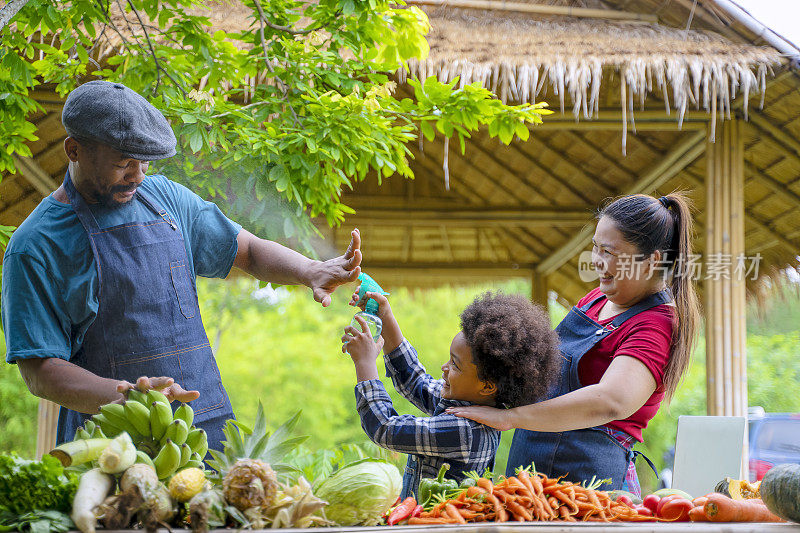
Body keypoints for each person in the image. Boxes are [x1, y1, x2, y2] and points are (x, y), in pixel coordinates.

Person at [2, 80, 362, 451]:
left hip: (206, 428)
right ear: (74, 150)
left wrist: (309, 270)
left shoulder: (166, 199)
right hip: (108, 443)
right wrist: (128, 397)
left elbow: (249, 251)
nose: (138, 175)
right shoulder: (36, 247)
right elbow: (40, 372)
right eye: (123, 163)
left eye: (144, 162)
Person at [447, 193, 700, 496]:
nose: (596, 260)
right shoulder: (595, 299)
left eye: (608, 251)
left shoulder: (656, 324)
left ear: (651, 261)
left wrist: (510, 418)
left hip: (589, 488)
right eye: (595, 247)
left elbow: (612, 401)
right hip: (529, 474)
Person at [342, 290, 561, 499]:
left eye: (455, 364)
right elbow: (414, 380)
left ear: (486, 386)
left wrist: (365, 364)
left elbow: (385, 428)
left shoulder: (465, 431)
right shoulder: (470, 405)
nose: (444, 367)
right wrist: (385, 315)